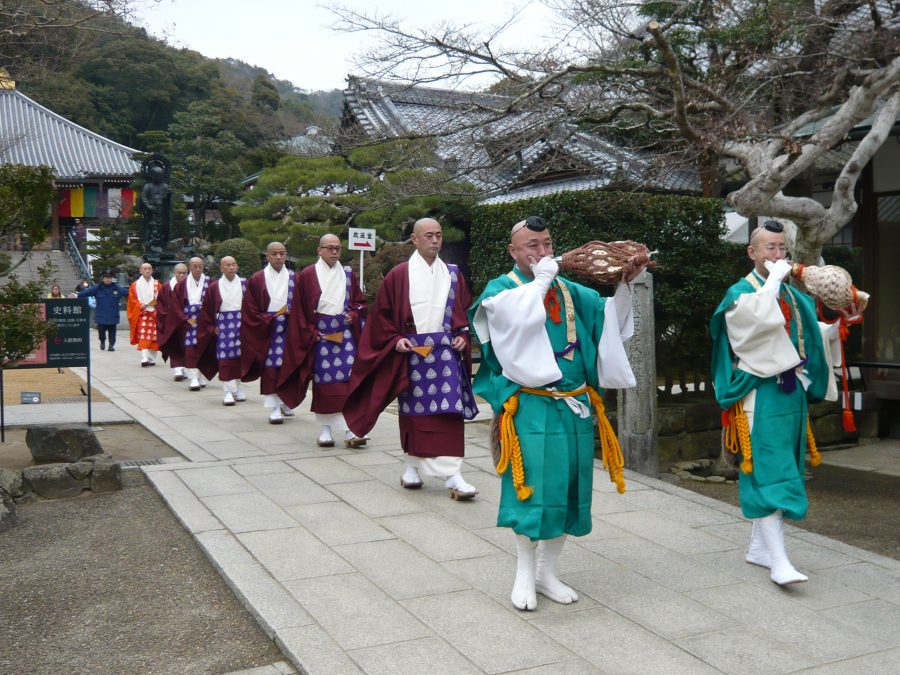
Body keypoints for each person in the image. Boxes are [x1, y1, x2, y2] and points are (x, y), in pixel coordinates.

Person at [469, 216, 641, 611]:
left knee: (568, 488)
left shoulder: (570, 290)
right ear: (513, 251)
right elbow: (508, 322)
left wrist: (626, 283)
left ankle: (549, 570)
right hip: (529, 405)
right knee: (532, 489)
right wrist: (541, 280)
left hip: (575, 403)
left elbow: (609, 322)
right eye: (531, 245)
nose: (542, 252)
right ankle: (524, 572)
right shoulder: (503, 289)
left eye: (546, 243)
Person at [710, 220, 837, 586]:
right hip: (758, 392)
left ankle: (759, 548)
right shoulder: (740, 292)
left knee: (787, 465)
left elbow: (810, 334)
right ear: (752, 252)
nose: (778, 255)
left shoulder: (791, 294)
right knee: (766, 469)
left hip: (791, 391)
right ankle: (779, 561)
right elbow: (754, 327)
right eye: (770, 248)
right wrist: (775, 282)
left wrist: (841, 318)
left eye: (782, 248)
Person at [344, 218, 479, 499]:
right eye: (428, 235)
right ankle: (412, 466)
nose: (435, 240)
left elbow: (464, 315)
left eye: (439, 235)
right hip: (414, 354)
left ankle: (452, 474)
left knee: (448, 413)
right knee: (415, 415)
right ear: (415, 240)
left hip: (445, 354)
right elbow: (381, 317)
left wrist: (463, 337)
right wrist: (396, 339)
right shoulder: (399, 275)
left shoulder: (454, 274)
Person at [278, 234, 368, 447]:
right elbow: (299, 311)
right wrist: (311, 332)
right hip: (321, 336)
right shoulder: (308, 274)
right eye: (330, 248)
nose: (335, 252)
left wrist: (353, 316)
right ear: (319, 250)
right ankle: (326, 430)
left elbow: (359, 302)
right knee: (324, 384)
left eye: (337, 248)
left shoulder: (347, 274)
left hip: (345, 335)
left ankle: (350, 430)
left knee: (347, 382)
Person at [241, 242, 306, 424]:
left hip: (290, 328)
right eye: (274, 254)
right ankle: (274, 407)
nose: (278, 257)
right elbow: (250, 310)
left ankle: (286, 400)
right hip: (267, 329)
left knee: (289, 365)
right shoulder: (257, 279)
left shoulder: (296, 278)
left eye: (282, 253)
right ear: (267, 256)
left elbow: (304, 305)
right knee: (271, 367)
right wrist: (269, 318)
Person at [197, 256, 248, 406]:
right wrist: (212, 327)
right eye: (228, 265)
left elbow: (252, 306)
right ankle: (227, 391)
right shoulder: (214, 286)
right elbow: (207, 309)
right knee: (225, 359)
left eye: (233, 264)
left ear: (237, 266)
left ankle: (236, 389)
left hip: (241, 323)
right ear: (221, 268)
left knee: (240, 358)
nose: (231, 267)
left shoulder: (245, 284)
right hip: (223, 325)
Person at [171, 257, 213, 391]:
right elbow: (175, 305)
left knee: (204, 347)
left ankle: (200, 375)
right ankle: (193, 378)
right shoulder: (182, 285)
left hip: (204, 319)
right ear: (189, 267)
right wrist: (184, 318)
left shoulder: (209, 282)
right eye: (195, 266)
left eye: (200, 266)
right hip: (189, 320)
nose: (198, 269)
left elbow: (215, 301)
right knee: (191, 348)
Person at [79, 270, 128, 352]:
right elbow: (87, 292)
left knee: (112, 332)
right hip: (101, 315)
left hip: (113, 315)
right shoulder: (98, 288)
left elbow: (128, 293)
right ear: (103, 278)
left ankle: (111, 345)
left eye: (109, 277)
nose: (108, 279)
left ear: (112, 278)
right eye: (106, 277)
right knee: (101, 331)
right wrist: (77, 295)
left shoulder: (117, 288)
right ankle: (102, 341)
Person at [156, 263, 188, 381]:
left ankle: (183, 368)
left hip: (185, 321)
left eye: (184, 273)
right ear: (174, 273)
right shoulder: (167, 287)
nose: (181, 275)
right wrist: (167, 317)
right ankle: (178, 369)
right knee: (174, 344)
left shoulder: (190, 286)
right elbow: (160, 305)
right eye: (179, 273)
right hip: (171, 322)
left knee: (185, 345)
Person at [126, 263, 162, 363]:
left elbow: (162, 298)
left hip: (154, 314)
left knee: (154, 337)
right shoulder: (135, 285)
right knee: (143, 335)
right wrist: (139, 305)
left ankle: (152, 358)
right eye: (145, 269)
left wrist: (152, 304)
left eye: (149, 269)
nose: (147, 271)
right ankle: (144, 357)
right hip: (142, 314)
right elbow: (132, 300)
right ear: (140, 271)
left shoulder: (157, 284)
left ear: (152, 271)